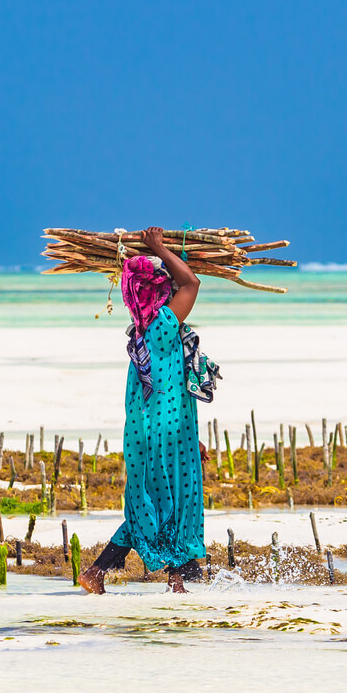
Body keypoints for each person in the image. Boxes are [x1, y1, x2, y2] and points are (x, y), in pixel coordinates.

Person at [81, 226, 209, 594]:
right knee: (175, 500)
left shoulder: (139, 334)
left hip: (148, 434)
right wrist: (160, 248)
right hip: (166, 436)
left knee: (152, 503)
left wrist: (192, 440)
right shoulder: (162, 326)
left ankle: (174, 578)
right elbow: (192, 283)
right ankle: (102, 572)